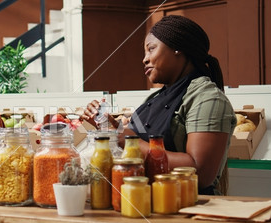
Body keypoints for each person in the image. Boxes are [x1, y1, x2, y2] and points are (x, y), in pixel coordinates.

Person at [82, 15, 236, 195]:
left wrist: (124, 139)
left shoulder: (208, 99)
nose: (145, 59)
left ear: (177, 47)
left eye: (151, 49)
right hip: (143, 201)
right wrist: (108, 126)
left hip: (188, 207)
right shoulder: (154, 99)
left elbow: (199, 171)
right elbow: (138, 138)